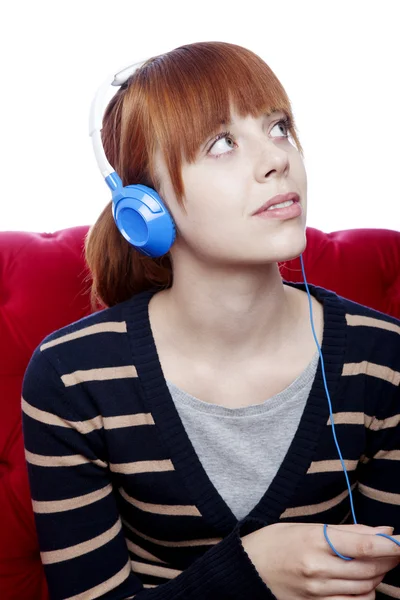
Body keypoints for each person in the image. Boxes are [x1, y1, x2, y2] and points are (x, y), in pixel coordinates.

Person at [22, 41, 400, 600]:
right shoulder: (70, 378)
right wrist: (252, 569)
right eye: (222, 143)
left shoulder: (384, 356)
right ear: (143, 208)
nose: (278, 159)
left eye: (278, 128)